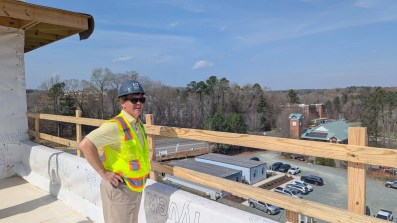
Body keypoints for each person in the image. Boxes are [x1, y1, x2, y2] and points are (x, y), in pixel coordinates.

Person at [78, 80, 150, 223]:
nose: (139, 103)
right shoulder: (116, 126)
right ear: (122, 102)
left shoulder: (138, 124)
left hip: (135, 188)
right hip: (119, 189)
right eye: (134, 99)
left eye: (141, 99)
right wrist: (103, 173)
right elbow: (86, 144)